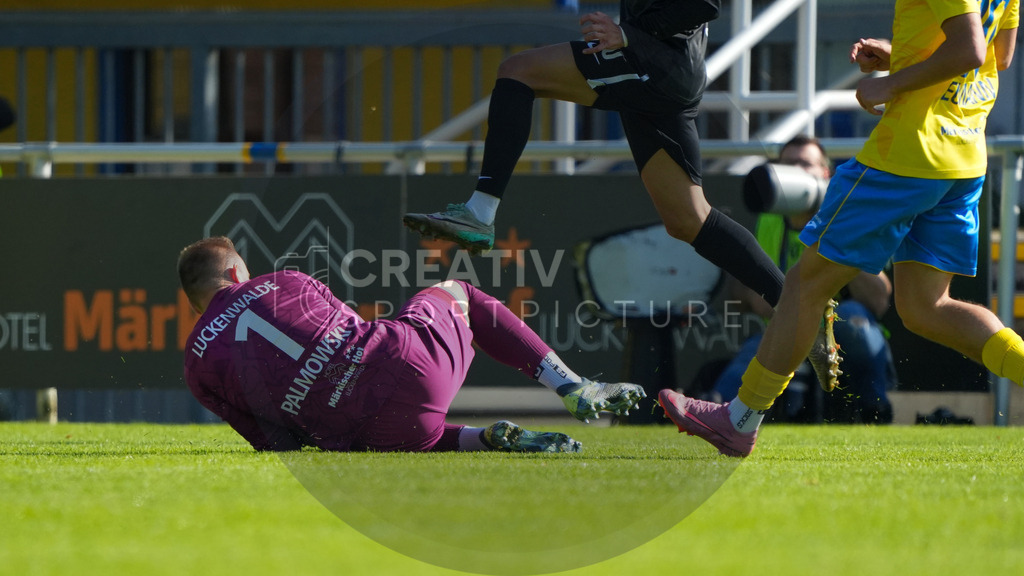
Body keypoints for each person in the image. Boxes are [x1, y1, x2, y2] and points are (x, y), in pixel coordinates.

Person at [401, 2, 840, 391]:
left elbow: (704, 4)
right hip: (661, 70)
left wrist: (629, 35)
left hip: (653, 64)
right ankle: (803, 316)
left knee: (519, 71)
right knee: (689, 219)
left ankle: (481, 212)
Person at [660, 0, 1020, 457]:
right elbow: (997, 55)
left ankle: (738, 419)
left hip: (908, 153)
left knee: (805, 285)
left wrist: (890, 83)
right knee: (926, 308)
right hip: (963, 158)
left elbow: (969, 50)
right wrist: (904, 57)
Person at [178, 236, 645, 453]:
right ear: (238, 272)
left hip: (364, 434)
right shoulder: (285, 279)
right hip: (408, 368)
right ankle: (573, 386)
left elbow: (276, 443)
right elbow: (347, 335)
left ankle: (482, 443)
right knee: (458, 291)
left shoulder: (196, 368)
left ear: (197, 306)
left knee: (375, 426)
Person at [711, 135, 897, 424]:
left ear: (826, 174)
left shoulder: (849, 214)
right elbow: (738, 296)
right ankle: (719, 413)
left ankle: (875, 410)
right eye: (789, 164)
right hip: (784, 328)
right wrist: (762, 299)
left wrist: (838, 233)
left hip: (844, 330)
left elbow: (879, 299)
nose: (796, 171)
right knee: (751, 358)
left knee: (855, 318)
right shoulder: (769, 219)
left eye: (805, 164)